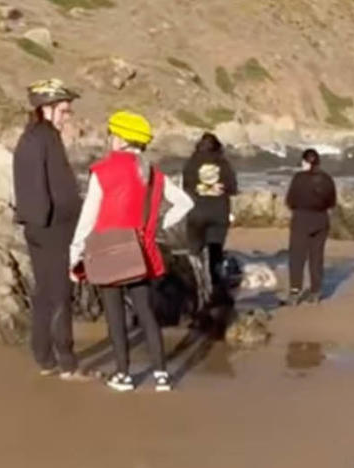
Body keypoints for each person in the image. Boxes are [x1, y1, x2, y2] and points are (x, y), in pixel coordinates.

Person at [68, 111, 194, 392]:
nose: (109, 138)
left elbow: (88, 218)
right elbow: (185, 203)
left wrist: (75, 254)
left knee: (115, 316)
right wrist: (159, 223)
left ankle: (123, 375)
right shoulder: (155, 174)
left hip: (109, 250)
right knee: (147, 313)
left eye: (112, 134)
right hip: (143, 251)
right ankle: (162, 374)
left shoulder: (103, 171)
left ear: (122, 139)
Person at [13, 79, 84, 379]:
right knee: (59, 296)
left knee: (44, 294)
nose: (67, 117)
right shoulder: (46, 139)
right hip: (54, 227)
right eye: (64, 111)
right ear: (47, 109)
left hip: (36, 225)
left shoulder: (29, 137)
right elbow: (59, 188)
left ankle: (44, 358)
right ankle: (66, 363)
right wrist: (78, 219)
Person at [182, 132, 238, 301]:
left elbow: (185, 186)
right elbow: (233, 188)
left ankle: (195, 288)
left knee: (194, 253)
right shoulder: (223, 163)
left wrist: (201, 189)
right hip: (218, 213)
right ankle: (215, 291)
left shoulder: (191, 163)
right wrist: (217, 188)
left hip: (196, 213)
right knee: (215, 254)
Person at [285, 148, 336, 305]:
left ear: (306, 162)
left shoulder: (298, 178)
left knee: (297, 256)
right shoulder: (327, 179)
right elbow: (332, 202)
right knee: (316, 256)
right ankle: (316, 291)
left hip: (301, 218)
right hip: (321, 219)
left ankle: (295, 290)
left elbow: (290, 200)